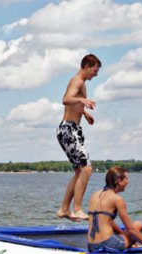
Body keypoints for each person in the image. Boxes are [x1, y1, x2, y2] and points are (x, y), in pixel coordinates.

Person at [56, 54, 102, 221]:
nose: (96, 74)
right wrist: (83, 99)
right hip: (68, 129)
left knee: (79, 172)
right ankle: (77, 209)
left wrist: (84, 112)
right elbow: (66, 99)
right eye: (95, 70)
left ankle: (64, 209)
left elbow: (73, 103)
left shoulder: (81, 83)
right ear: (87, 66)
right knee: (86, 169)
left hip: (72, 128)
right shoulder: (78, 81)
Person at [87, 166, 142, 254]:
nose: (128, 181)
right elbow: (131, 229)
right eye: (126, 178)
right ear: (119, 181)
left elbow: (107, 220)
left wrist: (123, 234)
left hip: (91, 246)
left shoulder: (94, 195)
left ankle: (126, 241)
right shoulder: (117, 199)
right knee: (138, 224)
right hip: (108, 245)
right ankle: (127, 243)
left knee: (125, 234)